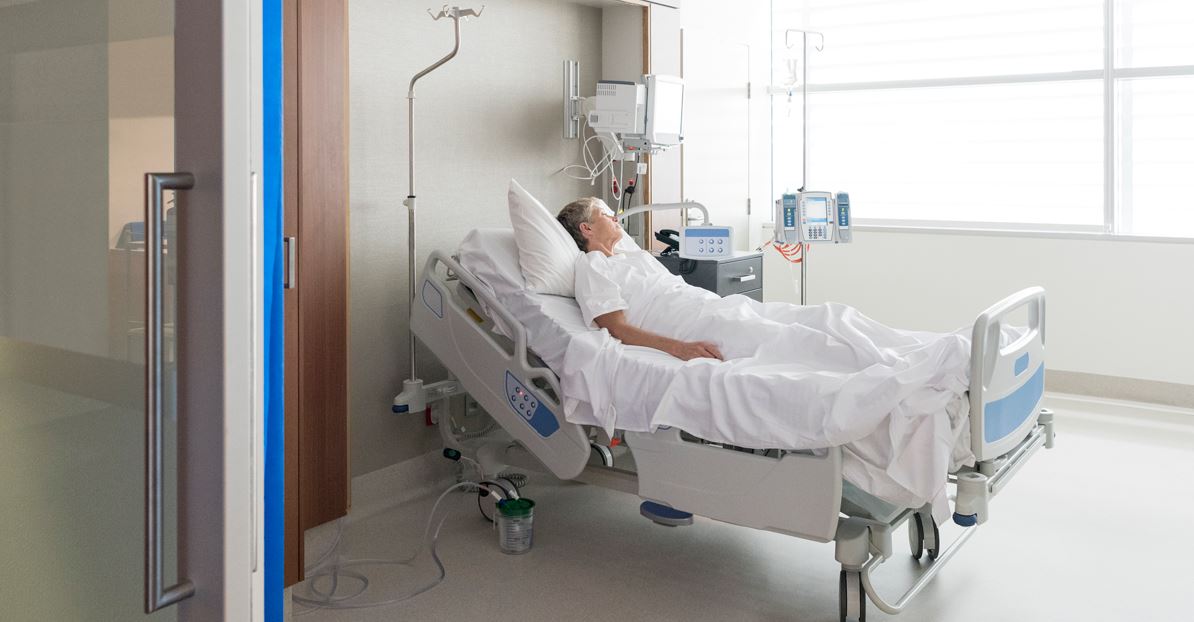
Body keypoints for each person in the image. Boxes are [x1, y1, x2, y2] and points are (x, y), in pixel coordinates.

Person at [556, 196, 972, 372]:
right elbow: (617, 329)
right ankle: (916, 366)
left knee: (827, 316)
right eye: (608, 214)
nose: (617, 219)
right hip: (692, 328)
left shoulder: (632, 255)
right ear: (588, 228)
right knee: (796, 341)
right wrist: (679, 348)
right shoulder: (594, 267)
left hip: (714, 308)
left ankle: (934, 349)